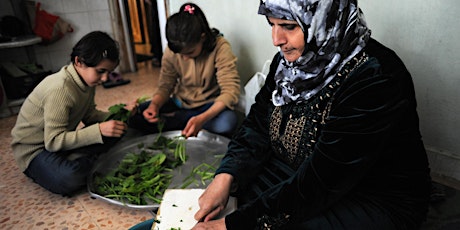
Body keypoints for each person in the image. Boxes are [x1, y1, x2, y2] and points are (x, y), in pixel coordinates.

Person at [192, 0, 432, 229]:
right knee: (236, 193)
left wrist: (235, 225)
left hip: (368, 196)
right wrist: (226, 176)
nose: (276, 40)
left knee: (272, 221)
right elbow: (257, 123)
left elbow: (322, 182)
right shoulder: (289, 63)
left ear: (326, 17)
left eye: (288, 26)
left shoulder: (374, 76)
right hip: (298, 173)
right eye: (271, 24)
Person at [11, 31, 133, 196]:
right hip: (36, 150)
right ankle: (82, 160)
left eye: (108, 73)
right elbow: (53, 141)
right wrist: (98, 131)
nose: (105, 78)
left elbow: (89, 115)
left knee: (120, 133)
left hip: (59, 142)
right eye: (100, 71)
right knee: (69, 177)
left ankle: (79, 158)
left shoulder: (86, 83)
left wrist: (121, 113)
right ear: (79, 62)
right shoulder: (60, 89)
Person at [129, 3, 240, 138]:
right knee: (137, 114)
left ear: (203, 37)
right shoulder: (172, 50)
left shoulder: (220, 47)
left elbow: (230, 90)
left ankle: (182, 121)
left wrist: (202, 118)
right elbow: (166, 85)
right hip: (180, 103)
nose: (184, 58)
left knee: (227, 122)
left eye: (190, 52)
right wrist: (154, 105)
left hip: (209, 105)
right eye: (180, 54)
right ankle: (185, 120)